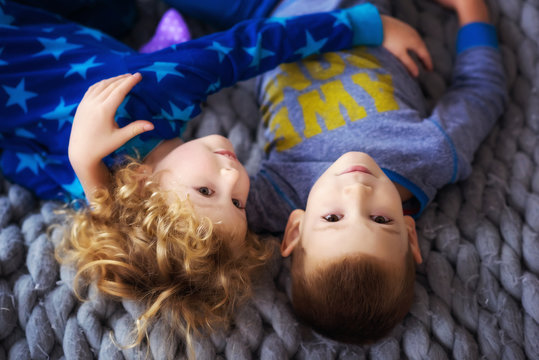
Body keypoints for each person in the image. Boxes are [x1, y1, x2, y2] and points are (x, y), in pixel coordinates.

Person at [0, 0, 409, 354]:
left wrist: (365, 25)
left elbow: (249, 46)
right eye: (236, 202)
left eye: (208, 190)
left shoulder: (165, 88)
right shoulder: (99, 178)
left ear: (143, 184)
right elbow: (252, 43)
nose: (235, 176)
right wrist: (364, 24)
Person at [244, 0, 507, 345]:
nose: (356, 192)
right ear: (410, 235)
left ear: (295, 229)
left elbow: (193, 209)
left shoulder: (278, 194)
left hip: (255, 22)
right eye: (381, 220)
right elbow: (482, 90)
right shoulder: (432, 153)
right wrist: (471, 9)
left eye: (333, 217)